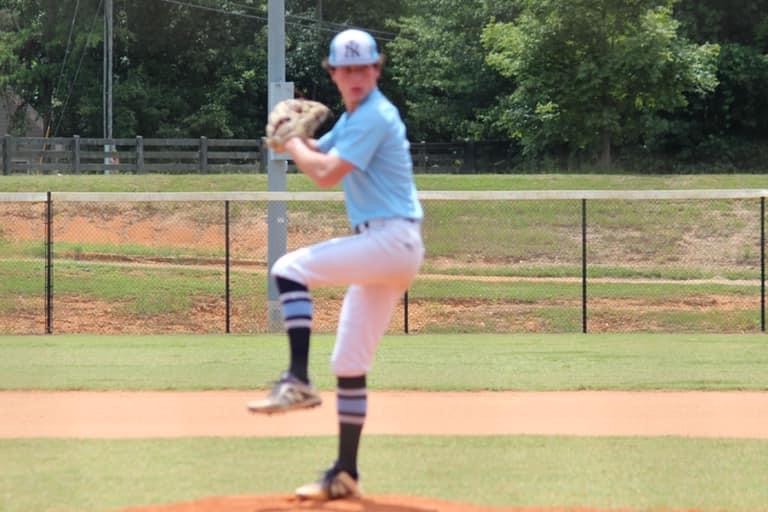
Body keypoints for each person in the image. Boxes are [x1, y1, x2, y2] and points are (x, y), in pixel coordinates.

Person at [247, 29, 425, 501]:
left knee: (288, 269)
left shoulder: (376, 115)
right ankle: (346, 473)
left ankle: (297, 380)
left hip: (391, 239)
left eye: (363, 67)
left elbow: (324, 173)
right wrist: (297, 142)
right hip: (387, 247)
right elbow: (320, 153)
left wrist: (291, 142)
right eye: (346, 69)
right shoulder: (354, 119)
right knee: (349, 362)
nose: (355, 76)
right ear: (333, 74)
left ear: (377, 69)